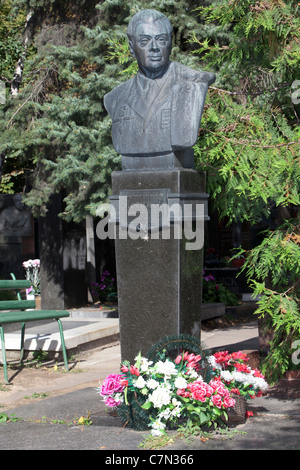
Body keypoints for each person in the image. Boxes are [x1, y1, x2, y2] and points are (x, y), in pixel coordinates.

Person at [104, 9, 215, 158]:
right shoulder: (115, 98)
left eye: (161, 40)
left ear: (169, 44)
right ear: (132, 48)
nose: (154, 47)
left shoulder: (194, 84)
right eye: (145, 41)